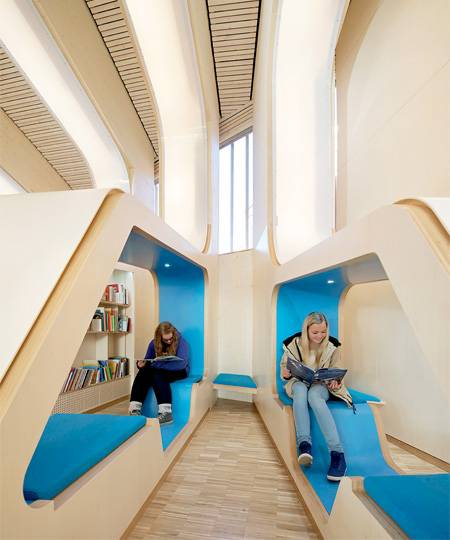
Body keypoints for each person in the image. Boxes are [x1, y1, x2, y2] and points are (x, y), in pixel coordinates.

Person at [280, 312, 352, 481]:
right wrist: (286, 373)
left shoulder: (333, 346)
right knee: (300, 390)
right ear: (306, 330)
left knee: (313, 396)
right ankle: (304, 445)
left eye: (323, 332)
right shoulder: (294, 344)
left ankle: (337, 454)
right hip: (299, 382)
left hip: (321, 385)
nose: (320, 336)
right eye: (315, 332)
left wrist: (335, 381)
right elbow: (284, 370)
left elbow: (337, 371)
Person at [128, 321, 189, 424]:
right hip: (161, 370)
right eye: (166, 339)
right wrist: (141, 364)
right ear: (159, 337)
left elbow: (181, 364)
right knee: (145, 371)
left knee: (158, 374)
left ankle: (166, 413)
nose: (169, 341)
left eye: (171, 338)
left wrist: (158, 365)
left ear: (173, 333)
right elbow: (148, 360)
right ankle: (134, 409)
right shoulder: (153, 343)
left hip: (180, 370)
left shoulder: (182, 342)